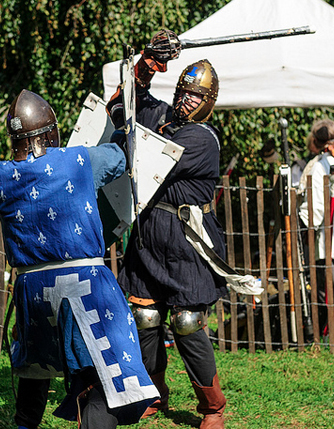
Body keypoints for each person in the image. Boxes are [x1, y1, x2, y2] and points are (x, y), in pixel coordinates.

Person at [0, 89, 159, 429]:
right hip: (86, 287)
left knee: (35, 372)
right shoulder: (79, 161)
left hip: (33, 290)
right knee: (102, 373)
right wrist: (123, 125)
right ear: (51, 132)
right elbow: (121, 156)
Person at [106, 30, 228, 428]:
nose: (185, 99)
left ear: (207, 103)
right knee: (145, 318)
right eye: (182, 91)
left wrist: (132, 127)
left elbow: (146, 153)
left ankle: (213, 408)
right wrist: (146, 65)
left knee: (186, 323)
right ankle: (155, 395)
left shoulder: (203, 138)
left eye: (195, 95)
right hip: (147, 237)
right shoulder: (160, 116)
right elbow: (120, 109)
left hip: (184, 241)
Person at [298, 119, 334, 339]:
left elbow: (314, 210)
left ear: (316, 140)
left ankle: (330, 334)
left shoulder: (318, 166)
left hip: (329, 239)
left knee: (332, 293)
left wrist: (306, 226)